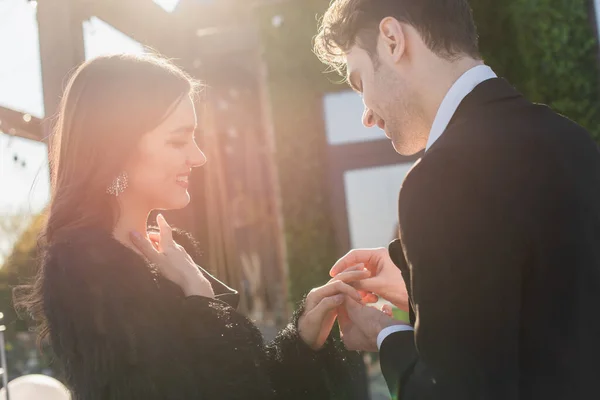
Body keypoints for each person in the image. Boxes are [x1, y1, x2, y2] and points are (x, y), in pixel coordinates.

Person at [14, 54, 368, 400]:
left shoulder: (172, 253)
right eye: (178, 140)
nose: (199, 156)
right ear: (116, 148)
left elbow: (246, 379)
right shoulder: (84, 270)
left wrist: (303, 338)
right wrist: (200, 299)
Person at [314, 1, 600, 399]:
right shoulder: (573, 141)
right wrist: (417, 285)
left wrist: (387, 336)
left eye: (360, 83)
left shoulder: (438, 181)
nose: (366, 115)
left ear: (393, 39)